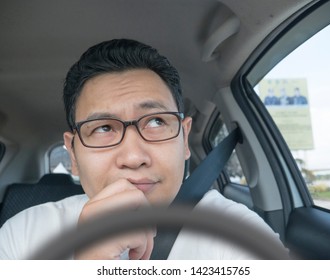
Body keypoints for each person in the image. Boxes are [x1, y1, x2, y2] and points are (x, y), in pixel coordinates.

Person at [0, 39, 287, 260]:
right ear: (73, 155)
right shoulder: (23, 234)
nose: (134, 157)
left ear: (184, 140)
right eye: (103, 128)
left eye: (156, 122)